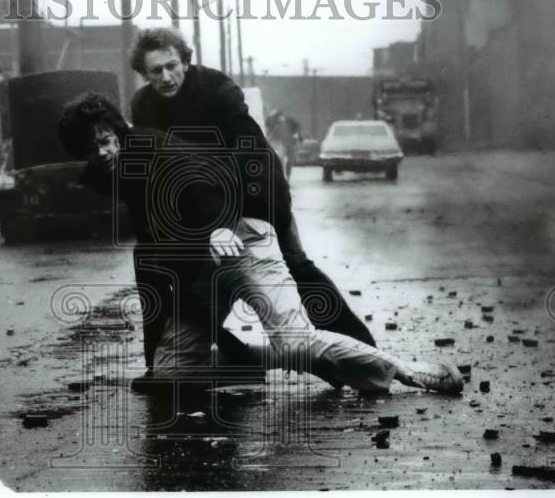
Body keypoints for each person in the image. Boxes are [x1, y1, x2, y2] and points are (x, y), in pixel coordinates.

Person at [57, 92, 463, 396]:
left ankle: (404, 370)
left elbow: (201, 179)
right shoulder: (112, 175)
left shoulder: (154, 148)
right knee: (173, 375)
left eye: (108, 139)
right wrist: (152, 361)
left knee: (296, 340)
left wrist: (216, 228)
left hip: (239, 241)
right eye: (93, 148)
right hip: (201, 264)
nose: (104, 151)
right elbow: (151, 266)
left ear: (119, 128)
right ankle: (269, 361)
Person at [128, 27, 379, 366]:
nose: (167, 77)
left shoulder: (217, 88)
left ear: (185, 60)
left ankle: (366, 352)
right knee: (188, 278)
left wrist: (218, 212)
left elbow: (246, 151)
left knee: (298, 268)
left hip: (257, 189)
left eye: (172, 65)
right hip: (202, 203)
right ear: (144, 74)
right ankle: (178, 366)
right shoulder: (143, 106)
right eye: (156, 71)